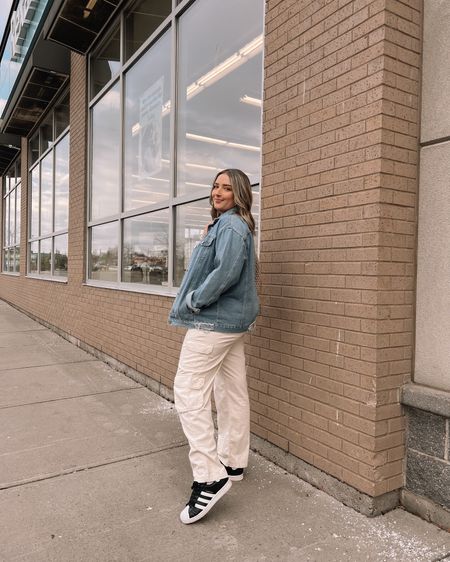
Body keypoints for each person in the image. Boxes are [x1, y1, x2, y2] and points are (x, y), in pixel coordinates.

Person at [168, 168, 259, 524]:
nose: (218, 192)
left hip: (214, 320)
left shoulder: (233, 226)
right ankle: (233, 462)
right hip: (231, 322)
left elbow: (224, 274)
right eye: (215, 186)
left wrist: (194, 300)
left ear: (239, 194)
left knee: (188, 390)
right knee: (230, 390)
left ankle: (209, 475)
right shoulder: (228, 225)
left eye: (226, 188)